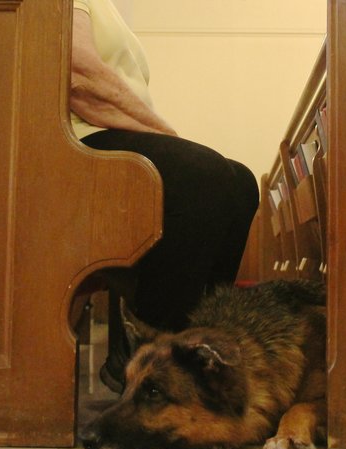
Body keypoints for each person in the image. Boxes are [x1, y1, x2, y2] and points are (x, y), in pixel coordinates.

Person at [70, 0, 259, 387]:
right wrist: (168, 135)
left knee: (240, 182)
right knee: (202, 176)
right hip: (76, 148)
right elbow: (80, 77)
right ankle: (148, 355)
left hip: (115, 145)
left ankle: (195, 347)